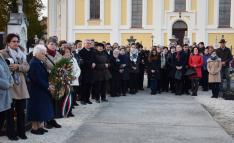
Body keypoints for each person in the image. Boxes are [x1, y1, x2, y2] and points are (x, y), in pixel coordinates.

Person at [0, 33, 30, 140]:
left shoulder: (21, 53)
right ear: (8, 42)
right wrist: (9, 68)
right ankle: (11, 133)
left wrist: (18, 66)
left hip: (21, 86)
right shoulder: (3, 53)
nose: (16, 43)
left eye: (17, 41)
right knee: (9, 112)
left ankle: (21, 132)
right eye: (13, 41)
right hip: (10, 86)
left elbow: (27, 67)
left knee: (21, 111)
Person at [27, 44, 54, 135]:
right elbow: (37, 78)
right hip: (36, 90)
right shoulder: (34, 63)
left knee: (41, 109)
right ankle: (34, 128)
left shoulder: (39, 62)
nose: (45, 55)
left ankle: (40, 126)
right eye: (43, 54)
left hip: (41, 89)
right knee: (36, 109)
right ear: (37, 53)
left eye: (45, 53)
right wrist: (47, 86)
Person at [44, 36, 62, 129]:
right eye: (51, 44)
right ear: (47, 45)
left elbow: (63, 64)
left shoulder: (58, 54)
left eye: (55, 44)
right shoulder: (44, 54)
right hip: (48, 80)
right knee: (48, 100)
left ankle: (52, 119)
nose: (53, 46)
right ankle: (47, 120)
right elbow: (43, 68)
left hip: (57, 80)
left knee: (55, 100)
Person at [61, 44, 81, 117]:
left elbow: (78, 69)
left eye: (68, 52)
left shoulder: (73, 59)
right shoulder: (62, 60)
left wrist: (75, 76)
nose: (67, 53)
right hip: (66, 81)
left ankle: (70, 111)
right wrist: (68, 77)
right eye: (66, 52)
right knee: (67, 98)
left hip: (74, 80)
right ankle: (66, 111)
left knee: (73, 97)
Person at [0, 53, 14, 140]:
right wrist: (7, 84)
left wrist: (10, 81)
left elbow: (7, 70)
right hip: (3, 88)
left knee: (2, 116)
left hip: (4, 92)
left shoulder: (0, 56)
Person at [79, 39, 95, 105]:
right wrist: (91, 64)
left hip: (91, 71)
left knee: (89, 86)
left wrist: (94, 62)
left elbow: (94, 59)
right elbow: (82, 61)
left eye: (89, 43)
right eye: (87, 43)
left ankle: (87, 99)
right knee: (84, 86)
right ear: (84, 44)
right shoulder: (81, 52)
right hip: (84, 71)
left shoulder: (92, 51)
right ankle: (82, 99)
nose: (88, 44)